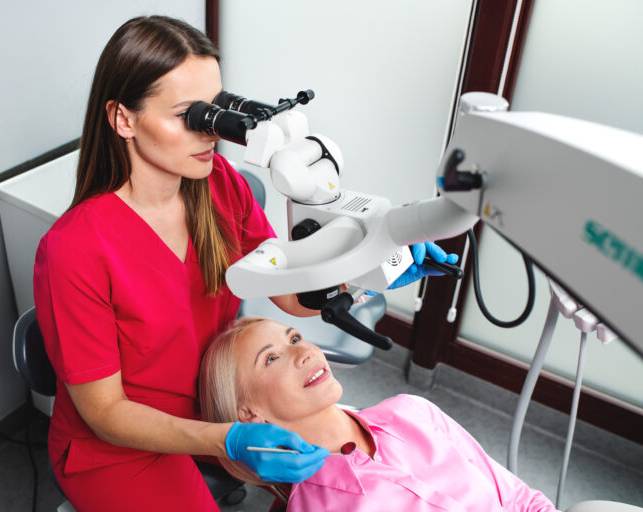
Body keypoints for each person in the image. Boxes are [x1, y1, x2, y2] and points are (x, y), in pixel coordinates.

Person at [33, 14, 458, 512]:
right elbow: (105, 412)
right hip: (119, 443)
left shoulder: (219, 185)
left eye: (213, 110)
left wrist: (366, 274)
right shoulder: (74, 249)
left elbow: (288, 292)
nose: (210, 133)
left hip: (216, 400)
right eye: (187, 115)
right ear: (123, 119)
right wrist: (226, 439)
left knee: (350, 477)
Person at [199, 316, 559, 512]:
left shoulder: (412, 410)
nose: (304, 352)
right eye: (271, 358)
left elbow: (520, 498)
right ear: (249, 412)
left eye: (294, 338)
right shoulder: (317, 507)